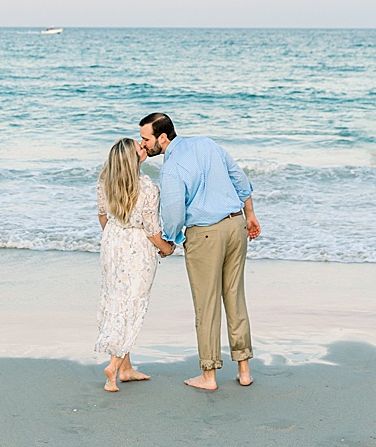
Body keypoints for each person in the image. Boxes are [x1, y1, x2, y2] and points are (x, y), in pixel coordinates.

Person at [137, 112, 260, 391]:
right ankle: (244, 370)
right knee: (235, 297)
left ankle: (209, 375)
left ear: (163, 137)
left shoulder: (171, 168)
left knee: (207, 305)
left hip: (205, 233)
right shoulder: (207, 144)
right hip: (235, 224)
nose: (143, 145)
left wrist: (169, 241)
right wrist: (250, 215)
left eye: (146, 139)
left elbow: (174, 211)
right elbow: (239, 178)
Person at [95, 137, 173, 391]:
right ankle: (114, 365)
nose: (144, 148)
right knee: (132, 304)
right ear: (133, 158)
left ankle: (126, 369)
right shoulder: (147, 188)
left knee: (116, 299)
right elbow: (152, 231)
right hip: (138, 247)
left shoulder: (106, 181)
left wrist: (115, 238)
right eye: (140, 148)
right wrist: (167, 248)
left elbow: (103, 216)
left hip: (112, 241)